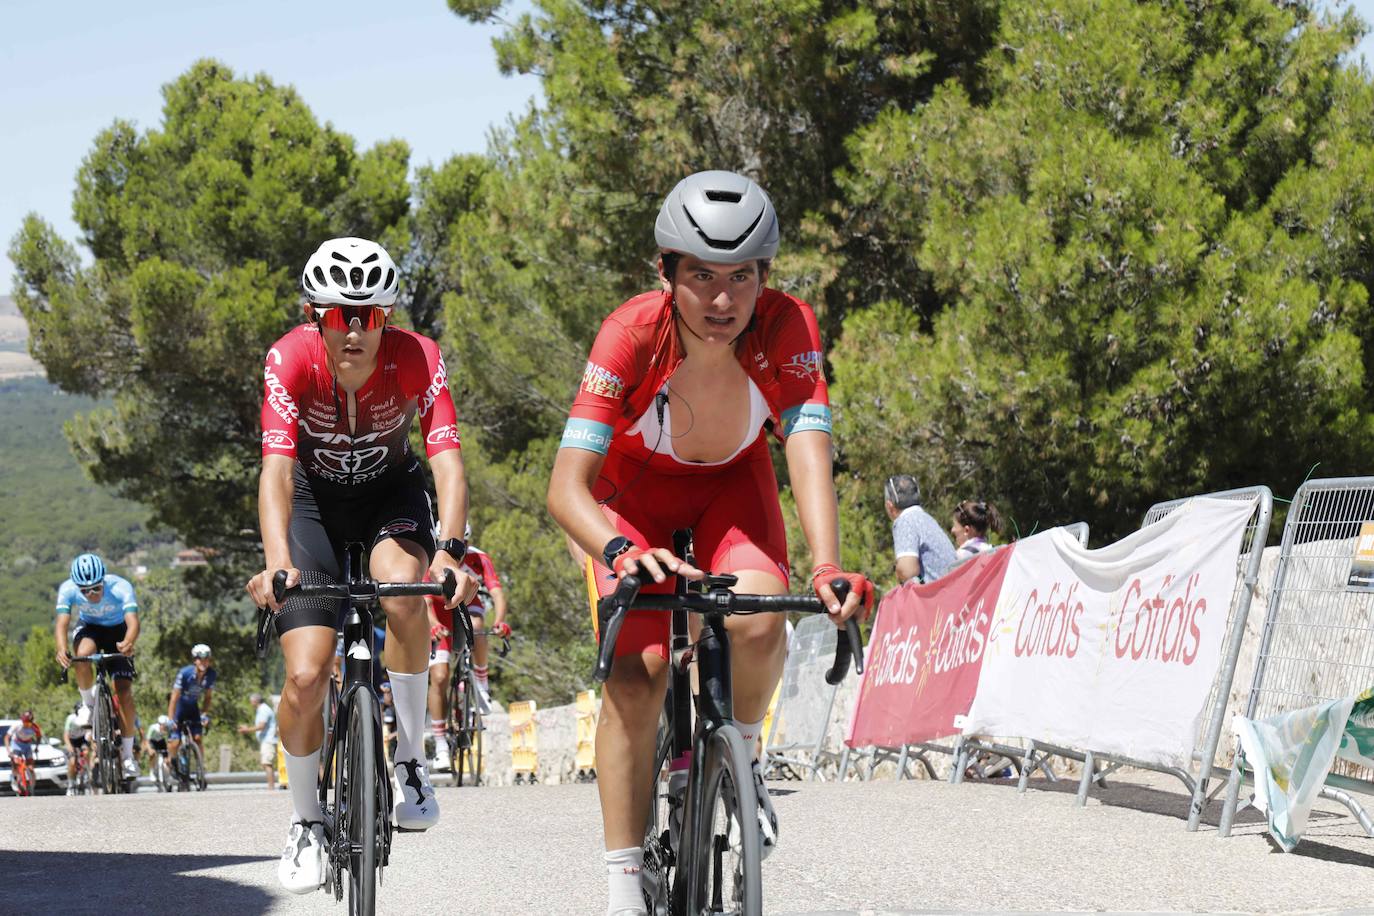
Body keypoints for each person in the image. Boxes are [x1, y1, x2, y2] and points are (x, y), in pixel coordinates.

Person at [546, 170, 873, 916]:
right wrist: (618, 552)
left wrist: (825, 562)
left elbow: (808, 447)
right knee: (638, 673)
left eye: (742, 277)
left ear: (764, 277)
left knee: (759, 619)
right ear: (666, 273)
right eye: (701, 276)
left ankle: (742, 763)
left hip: (732, 486)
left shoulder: (786, 325)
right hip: (628, 500)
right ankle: (623, 885)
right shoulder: (630, 333)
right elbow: (566, 489)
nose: (723, 301)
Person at [243, 237, 479, 895]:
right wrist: (278, 562)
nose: (354, 329)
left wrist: (451, 551)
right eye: (339, 315)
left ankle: (410, 758)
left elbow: (448, 463)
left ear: (387, 317)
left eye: (369, 315)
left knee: (404, 591)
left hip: (389, 497)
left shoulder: (417, 357)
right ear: (313, 315)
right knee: (305, 674)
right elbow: (276, 471)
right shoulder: (289, 359)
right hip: (312, 506)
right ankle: (306, 821)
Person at [426, 523, 511, 772]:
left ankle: (481, 682)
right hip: (439, 615)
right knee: (439, 677)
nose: (459, 549)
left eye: (463, 543)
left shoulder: (479, 557)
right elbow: (425, 602)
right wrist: (433, 625)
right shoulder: (432, 559)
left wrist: (500, 621)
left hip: (467, 606)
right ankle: (441, 744)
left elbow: (497, 593)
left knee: (477, 626)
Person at [53, 552, 142, 779]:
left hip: (118, 631)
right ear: (77, 587)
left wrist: (128, 642)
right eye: (85, 591)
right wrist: (61, 649)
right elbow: (62, 623)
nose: (91, 594)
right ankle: (89, 704)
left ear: (104, 580)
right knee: (82, 656)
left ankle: (128, 756)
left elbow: (133, 621)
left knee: (124, 692)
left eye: (96, 588)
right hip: (90, 629)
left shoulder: (120, 587)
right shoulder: (67, 589)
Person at [884, 475, 956, 584]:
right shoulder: (925, 518)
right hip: (953, 587)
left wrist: (898, 570)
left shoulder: (905, 520)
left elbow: (907, 571)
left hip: (939, 592)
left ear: (889, 506)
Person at [167, 644, 216, 763]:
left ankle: (201, 767)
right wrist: (171, 719)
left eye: (206, 659)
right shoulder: (184, 673)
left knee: (197, 738)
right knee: (175, 742)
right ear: (195, 660)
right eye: (200, 659)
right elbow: (174, 698)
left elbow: (208, 697)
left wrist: (204, 714)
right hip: (180, 708)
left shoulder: (211, 674)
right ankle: (171, 761)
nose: (204, 662)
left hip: (193, 707)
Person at [239, 693, 279, 790]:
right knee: (266, 763)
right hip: (267, 740)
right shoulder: (262, 709)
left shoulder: (263, 710)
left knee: (267, 763)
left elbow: (261, 726)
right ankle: (271, 786)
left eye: (251, 701)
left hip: (268, 740)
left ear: (255, 701)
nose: (250, 703)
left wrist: (247, 730)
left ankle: (271, 787)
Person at [6, 711, 43, 792]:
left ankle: (32, 785)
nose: (26, 725)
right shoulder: (17, 725)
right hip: (16, 744)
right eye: (24, 722)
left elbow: (39, 737)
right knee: (15, 762)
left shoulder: (35, 727)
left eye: (28, 723)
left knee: (31, 767)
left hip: (27, 745)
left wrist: (36, 747)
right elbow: (7, 737)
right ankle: (14, 778)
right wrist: (9, 751)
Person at [62, 703, 90, 795]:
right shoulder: (71, 718)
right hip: (72, 740)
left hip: (82, 739)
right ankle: (71, 783)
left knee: (86, 752)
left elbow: (90, 732)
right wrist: (69, 746)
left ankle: (86, 773)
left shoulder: (87, 718)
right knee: (72, 761)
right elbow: (66, 735)